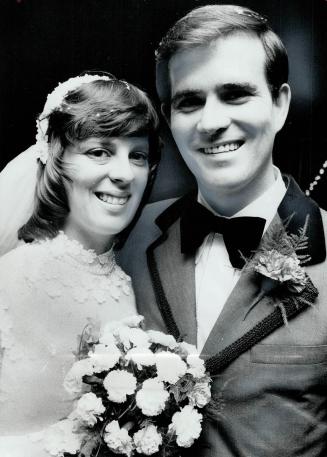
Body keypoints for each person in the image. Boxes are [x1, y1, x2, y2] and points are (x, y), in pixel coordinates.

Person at [118, 5, 327, 456]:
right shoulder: (128, 236)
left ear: (280, 104)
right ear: (169, 117)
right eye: (190, 101)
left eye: (235, 95)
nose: (211, 123)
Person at [0, 73, 160, 456]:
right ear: (58, 161)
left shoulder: (125, 271)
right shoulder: (29, 276)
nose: (123, 174)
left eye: (137, 155)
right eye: (99, 152)